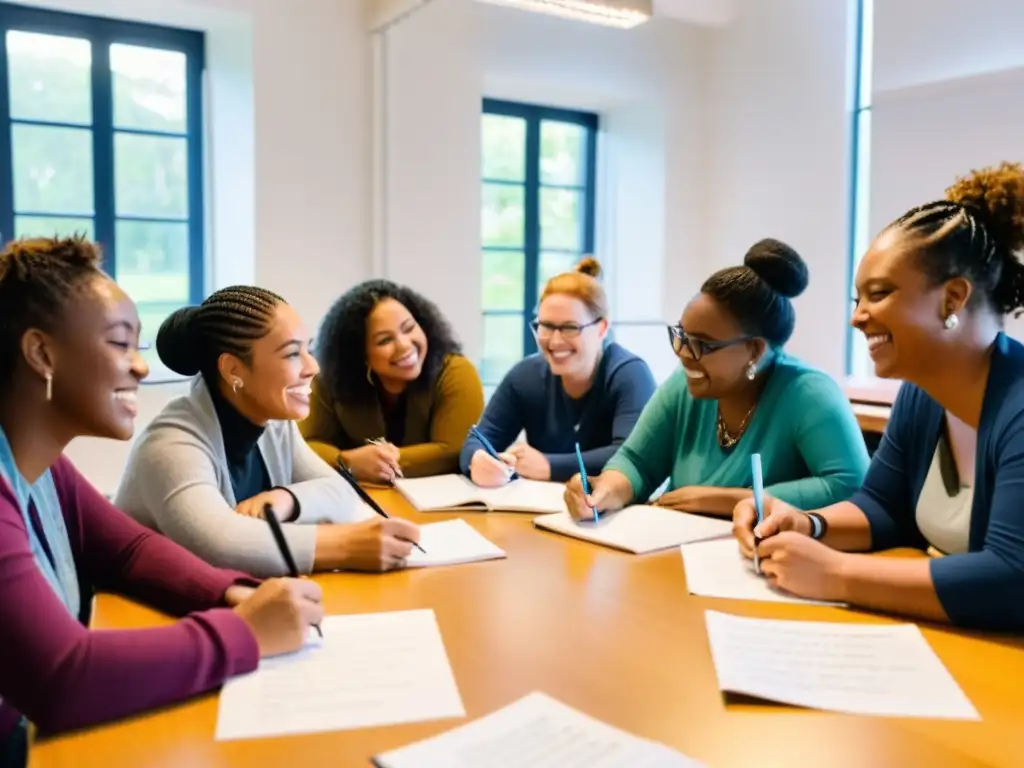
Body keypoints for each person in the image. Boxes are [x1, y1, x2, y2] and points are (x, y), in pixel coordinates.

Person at [0, 237, 323, 768]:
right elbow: (63, 678)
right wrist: (243, 635)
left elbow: (128, 551)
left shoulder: (47, 468)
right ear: (42, 353)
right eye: (120, 344)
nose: (141, 369)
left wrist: (235, 595)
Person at [733, 162, 1024, 632]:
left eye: (879, 294)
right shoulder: (921, 395)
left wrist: (837, 574)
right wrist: (809, 525)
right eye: (857, 301)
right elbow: (882, 506)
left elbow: (1013, 577)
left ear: (953, 299)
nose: (858, 318)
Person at [114, 286, 421, 577]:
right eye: (291, 354)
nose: (312, 367)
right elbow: (219, 544)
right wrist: (347, 545)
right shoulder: (170, 445)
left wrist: (288, 499)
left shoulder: (273, 421)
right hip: (135, 616)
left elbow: (341, 491)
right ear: (234, 370)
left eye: (308, 350)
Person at [565, 239, 869, 519]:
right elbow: (637, 461)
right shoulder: (683, 385)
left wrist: (732, 500)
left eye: (703, 344)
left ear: (754, 350)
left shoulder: (809, 393)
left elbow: (852, 487)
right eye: (681, 335)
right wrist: (607, 490)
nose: (683, 354)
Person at [460, 257, 656, 486]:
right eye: (546, 326)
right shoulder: (525, 376)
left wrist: (549, 466)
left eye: (570, 328)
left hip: (609, 513)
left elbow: (631, 455)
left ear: (602, 328)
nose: (554, 341)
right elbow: (479, 439)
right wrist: (479, 460)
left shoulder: (630, 375)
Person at [300, 280, 484, 482]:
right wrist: (348, 461)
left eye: (409, 328)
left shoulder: (456, 371)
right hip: (360, 499)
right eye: (385, 340)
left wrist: (379, 462)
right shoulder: (329, 377)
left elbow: (456, 449)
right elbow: (306, 446)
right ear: (359, 353)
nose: (405, 346)